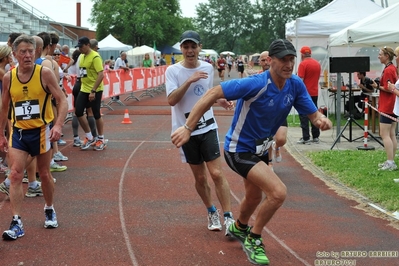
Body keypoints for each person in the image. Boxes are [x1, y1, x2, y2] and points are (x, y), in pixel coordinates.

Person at [171, 39, 332, 265]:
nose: (288, 64)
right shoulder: (255, 83)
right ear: (270, 61)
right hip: (239, 150)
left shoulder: (295, 85)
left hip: (261, 149)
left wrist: (321, 120)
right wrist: (188, 128)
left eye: (291, 60)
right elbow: (212, 93)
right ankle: (254, 238)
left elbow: (313, 115)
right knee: (277, 192)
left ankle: (239, 227)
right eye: (283, 60)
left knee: (255, 196)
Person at [166, 30, 235, 235]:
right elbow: (171, 100)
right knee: (200, 178)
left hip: (207, 127)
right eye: (186, 47)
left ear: (199, 48)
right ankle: (211, 211)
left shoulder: (207, 67)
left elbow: (207, 95)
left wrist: (219, 100)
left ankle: (229, 217)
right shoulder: (173, 71)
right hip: (185, 131)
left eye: (193, 46)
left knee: (216, 173)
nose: (189, 51)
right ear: (181, 49)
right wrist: (189, 81)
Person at [0, 34, 68, 240]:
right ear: (15, 54)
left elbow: (62, 100)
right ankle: (17, 221)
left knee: (44, 174)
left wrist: (57, 125)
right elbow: (4, 108)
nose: (27, 55)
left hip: (41, 132)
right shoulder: (8, 77)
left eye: (31, 51)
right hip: (19, 133)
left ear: (35, 52)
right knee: (15, 174)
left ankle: (49, 207)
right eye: (23, 52)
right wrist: (1, 135)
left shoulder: (45, 74)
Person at [75, 36, 106, 151]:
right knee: (78, 111)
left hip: (95, 90)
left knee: (96, 114)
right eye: (78, 47)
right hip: (84, 88)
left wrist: (93, 90)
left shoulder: (95, 57)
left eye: (81, 46)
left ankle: (101, 138)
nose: (80, 49)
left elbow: (101, 74)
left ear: (88, 45)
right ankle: (89, 136)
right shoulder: (82, 56)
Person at [372, 46, 398, 171]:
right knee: (392, 134)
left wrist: (377, 86)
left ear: (387, 56)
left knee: (384, 134)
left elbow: (389, 88)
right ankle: (391, 160)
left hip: (388, 105)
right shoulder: (392, 68)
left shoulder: (388, 70)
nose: (378, 56)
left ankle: (390, 161)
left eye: (380, 54)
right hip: (393, 105)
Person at [297, 46, 321, 145]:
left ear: (302, 54)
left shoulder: (303, 64)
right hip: (315, 92)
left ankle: (306, 137)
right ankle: (316, 136)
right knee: (314, 114)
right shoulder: (317, 64)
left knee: (304, 115)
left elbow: (300, 80)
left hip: (304, 94)